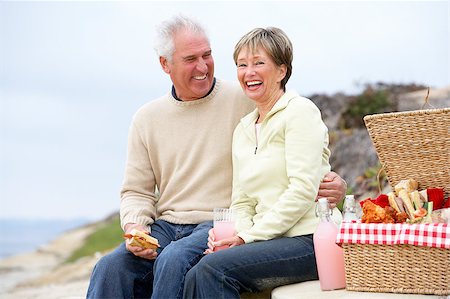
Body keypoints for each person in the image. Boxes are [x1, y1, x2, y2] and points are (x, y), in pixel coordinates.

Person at [87, 16, 346, 299]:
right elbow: (136, 191)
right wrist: (135, 225)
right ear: (165, 64)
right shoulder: (148, 119)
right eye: (190, 59)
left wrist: (333, 182)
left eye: (207, 55)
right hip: (169, 224)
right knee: (110, 267)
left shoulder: (248, 99)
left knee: (176, 260)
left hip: (219, 219)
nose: (202, 67)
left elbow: (300, 140)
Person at [183, 27, 342, 298]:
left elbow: (303, 190)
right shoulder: (244, 128)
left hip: (310, 239)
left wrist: (248, 238)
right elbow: (242, 201)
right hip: (270, 240)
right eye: (242, 65)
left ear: (281, 71)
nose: (249, 72)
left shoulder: (299, 112)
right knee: (200, 266)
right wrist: (239, 237)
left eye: (259, 63)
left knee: (211, 270)